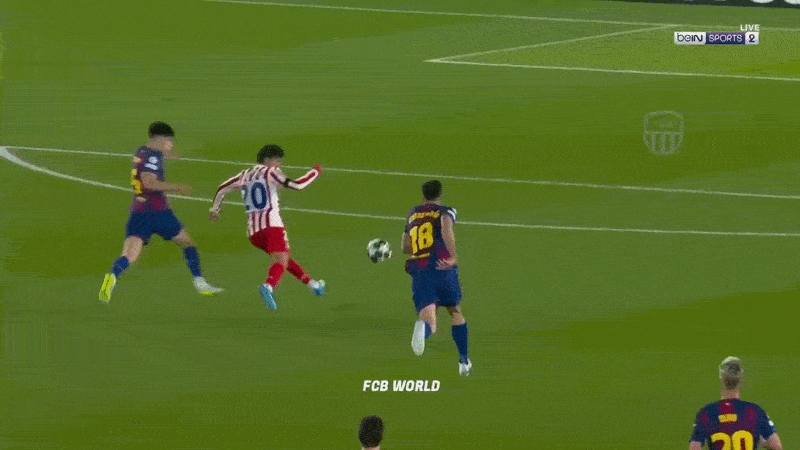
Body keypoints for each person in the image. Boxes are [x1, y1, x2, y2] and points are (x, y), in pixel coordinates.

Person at [99, 122, 223, 302]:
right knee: (188, 243)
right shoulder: (154, 156)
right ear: (161, 139)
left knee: (130, 255)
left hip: (139, 212)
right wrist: (177, 187)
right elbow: (149, 182)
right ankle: (200, 283)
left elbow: (150, 164)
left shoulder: (142, 151)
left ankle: (112, 276)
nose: (171, 144)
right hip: (158, 212)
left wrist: (168, 154)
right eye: (169, 141)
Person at [209, 144, 324, 309]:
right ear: (268, 159)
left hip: (254, 233)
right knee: (281, 259)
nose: (279, 165)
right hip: (272, 227)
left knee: (283, 259)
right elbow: (297, 185)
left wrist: (215, 209)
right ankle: (268, 286)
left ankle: (314, 285)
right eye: (277, 161)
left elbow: (222, 189)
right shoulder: (271, 172)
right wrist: (314, 173)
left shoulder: (244, 175)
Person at [402, 180, 471, 376]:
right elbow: (446, 229)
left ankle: (423, 329)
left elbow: (406, 247)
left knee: (430, 322)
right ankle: (464, 361)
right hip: (442, 266)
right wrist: (453, 257)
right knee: (455, 312)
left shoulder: (412, 214)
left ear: (423, 195)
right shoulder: (445, 212)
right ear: (440, 195)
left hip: (420, 270)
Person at [689, 357, 783, 450]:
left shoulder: (707, 412)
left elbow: (694, 447)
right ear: (741, 379)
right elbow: (776, 446)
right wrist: (762, 442)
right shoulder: (755, 411)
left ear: (721, 379)